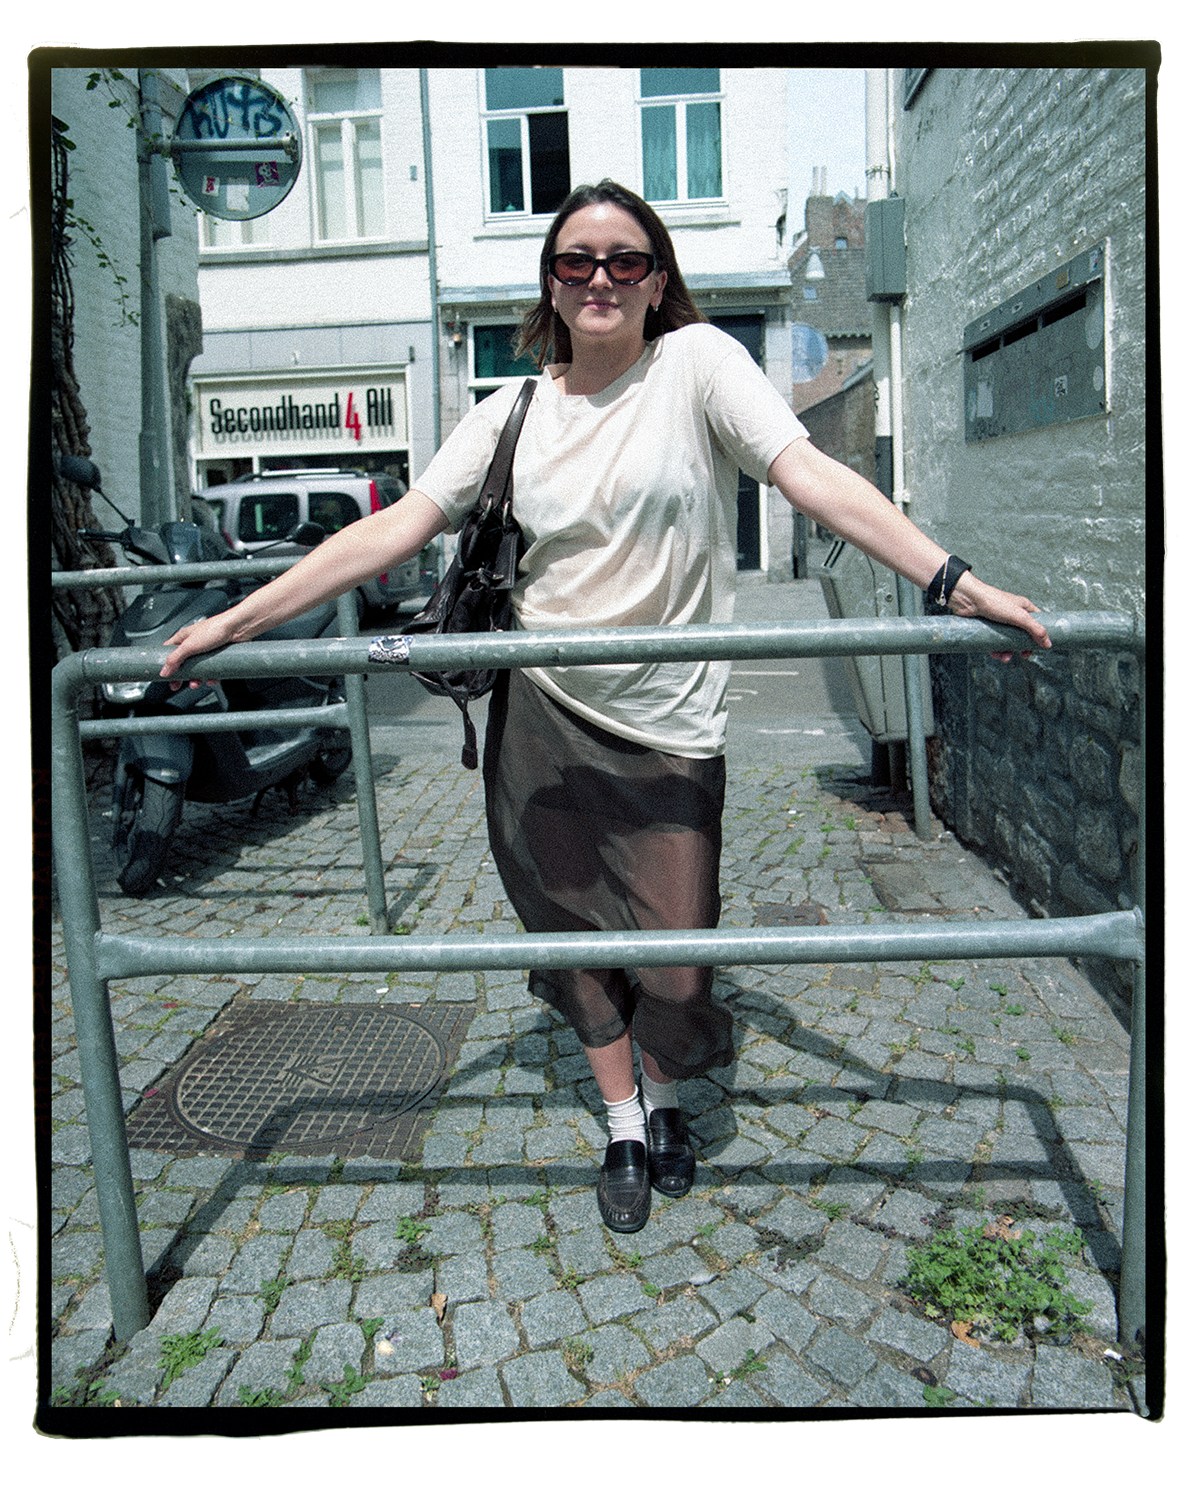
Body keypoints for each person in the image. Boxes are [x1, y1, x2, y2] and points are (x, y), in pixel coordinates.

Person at [161, 179, 1051, 1235]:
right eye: (576, 260)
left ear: (656, 279)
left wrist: (954, 582)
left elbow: (809, 474)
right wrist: (236, 622)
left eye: (625, 260)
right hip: (540, 718)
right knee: (572, 936)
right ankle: (630, 1122)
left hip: (670, 723)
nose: (600, 279)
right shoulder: (511, 411)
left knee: (678, 966)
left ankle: (667, 1090)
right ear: (550, 283)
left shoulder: (699, 366)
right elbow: (391, 528)